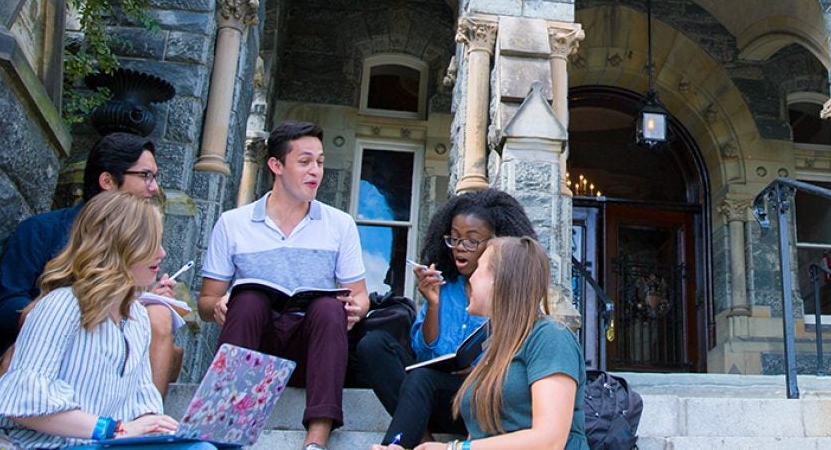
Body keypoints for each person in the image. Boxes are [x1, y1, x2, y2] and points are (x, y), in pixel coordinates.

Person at [0, 191, 215, 450]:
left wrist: (161, 428)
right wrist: (114, 429)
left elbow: (142, 403)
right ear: (120, 245)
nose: (162, 253)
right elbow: (21, 402)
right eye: (151, 243)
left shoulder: (137, 318)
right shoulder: (62, 305)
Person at [197, 121, 368, 450]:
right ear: (276, 165)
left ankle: (316, 441)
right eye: (304, 162)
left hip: (311, 352)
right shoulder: (233, 224)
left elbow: (359, 295)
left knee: (329, 307)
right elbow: (206, 301)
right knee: (247, 301)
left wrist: (355, 310)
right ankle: (222, 434)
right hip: (254, 349)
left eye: (319, 161)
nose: (315, 171)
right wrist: (218, 306)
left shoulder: (339, 224)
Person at [0, 133, 184, 401]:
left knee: (159, 315)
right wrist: (65, 313)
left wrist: (139, 298)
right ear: (107, 181)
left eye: (155, 178)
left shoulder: (138, 244)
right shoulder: (42, 231)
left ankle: (148, 424)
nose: (154, 188)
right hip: (42, 370)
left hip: (105, 372)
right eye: (145, 176)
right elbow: (2, 308)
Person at [357, 190, 538, 446]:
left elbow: (525, 363)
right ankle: (422, 439)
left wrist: (482, 369)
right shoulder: (445, 286)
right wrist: (433, 304)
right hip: (433, 394)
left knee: (422, 380)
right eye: (454, 239)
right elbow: (425, 354)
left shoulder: (513, 294)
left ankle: (397, 445)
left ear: (498, 242)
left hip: (484, 401)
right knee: (372, 345)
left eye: (472, 240)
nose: (460, 248)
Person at [375, 236, 588, 450]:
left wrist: (454, 449)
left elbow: (550, 441)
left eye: (479, 269)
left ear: (500, 281)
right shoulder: (494, 346)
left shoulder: (550, 337)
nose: (470, 279)